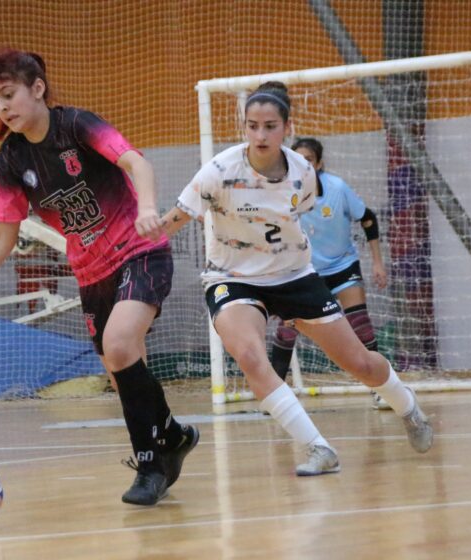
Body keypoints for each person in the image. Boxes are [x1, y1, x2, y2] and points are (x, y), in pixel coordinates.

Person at [0, 48, 198, 506]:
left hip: (139, 252)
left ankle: (150, 464)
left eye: (9, 94)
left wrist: (149, 207)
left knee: (119, 347)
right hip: (91, 273)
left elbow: (135, 161)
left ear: (37, 88)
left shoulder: (76, 125)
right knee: (120, 370)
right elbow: (2, 239)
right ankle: (171, 435)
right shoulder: (12, 161)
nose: (3, 107)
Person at [161, 81, 432, 476]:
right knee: (251, 356)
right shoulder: (218, 171)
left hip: (293, 276)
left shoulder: (304, 173)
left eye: (270, 126)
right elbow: (174, 220)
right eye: (252, 126)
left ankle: (408, 406)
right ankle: (318, 448)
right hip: (231, 278)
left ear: (286, 127)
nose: (260, 135)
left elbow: (300, 217)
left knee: (360, 363)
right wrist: (141, 234)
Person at [269, 137, 391, 410]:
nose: (303, 165)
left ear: (319, 164)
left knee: (361, 325)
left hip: (342, 266)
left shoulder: (337, 188)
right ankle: (275, 399)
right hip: (304, 272)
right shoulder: (282, 192)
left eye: (308, 160)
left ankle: (383, 389)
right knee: (287, 330)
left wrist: (378, 263)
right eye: (298, 160)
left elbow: (368, 218)